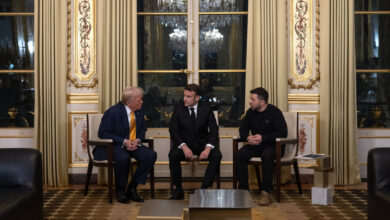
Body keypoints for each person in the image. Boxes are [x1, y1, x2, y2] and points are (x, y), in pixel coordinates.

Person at [94, 87, 157, 204]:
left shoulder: (139, 110)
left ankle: (132, 188)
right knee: (123, 158)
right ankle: (120, 190)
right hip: (116, 145)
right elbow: (103, 133)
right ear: (129, 102)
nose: (142, 102)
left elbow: (143, 129)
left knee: (150, 155)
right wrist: (124, 141)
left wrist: (137, 140)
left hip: (133, 144)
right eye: (139, 100)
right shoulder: (113, 112)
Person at [234, 87, 287, 206]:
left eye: (252, 99)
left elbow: (282, 133)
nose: (249, 101)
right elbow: (243, 129)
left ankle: (265, 192)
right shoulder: (250, 112)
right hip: (256, 145)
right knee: (240, 155)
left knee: (266, 155)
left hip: (273, 146)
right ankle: (243, 190)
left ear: (262, 102)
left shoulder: (275, 112)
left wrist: (263, 138)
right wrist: (247, 138)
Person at [168, 84, 222, 200]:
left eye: (188, 96)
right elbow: (173, 130)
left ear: (197, 98)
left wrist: (208, 148)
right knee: (173, 155)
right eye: (184, 96)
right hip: (185, 144)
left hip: (202, 144)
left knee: (217, 155)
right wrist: (183, 146)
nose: (184, 99)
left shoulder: (206, 108)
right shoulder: (178, 108)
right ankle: (178, 190)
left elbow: (214, 129)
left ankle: (204, 189)